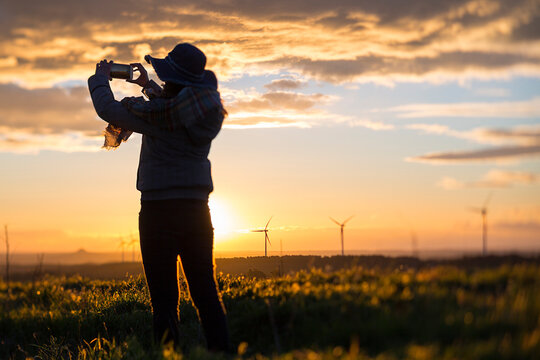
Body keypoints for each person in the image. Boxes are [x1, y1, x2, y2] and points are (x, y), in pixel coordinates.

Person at [87, 43, 231, 352]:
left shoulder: (154, 115)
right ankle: (224, 353)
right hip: (197, 212)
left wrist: (100, 77)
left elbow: (108, 110)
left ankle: (168, 355)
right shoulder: (198, 112)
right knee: (206, 292)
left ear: (173, 80)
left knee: (164, 301)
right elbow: (172, 103)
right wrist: (147, 86)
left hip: (157, 214)